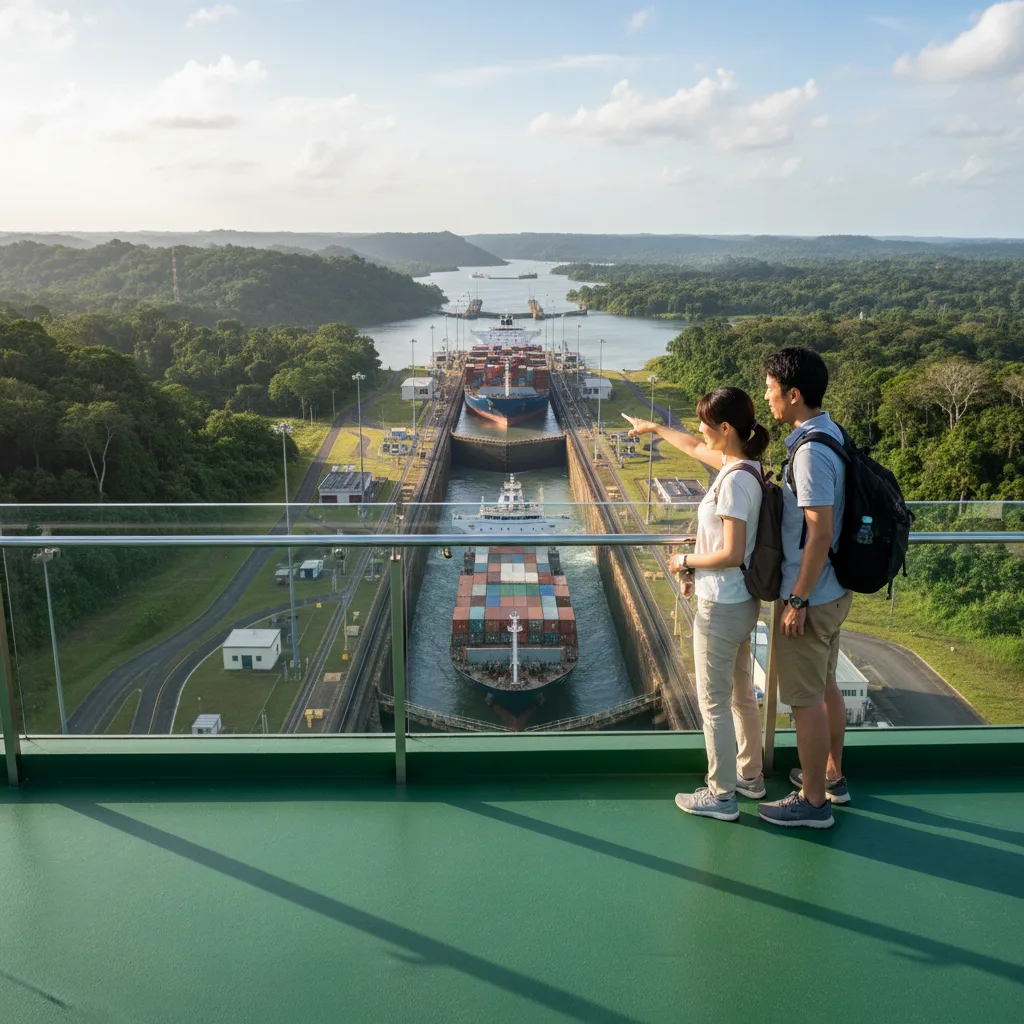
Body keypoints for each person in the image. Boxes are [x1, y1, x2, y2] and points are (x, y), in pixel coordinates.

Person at [625, 387, 771, 822]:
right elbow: (689, 445)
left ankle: (720, 795)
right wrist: (653, 428)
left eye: (706, 424)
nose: (699, 431)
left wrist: (684, 560)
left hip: (720, 605)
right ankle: (751, 776)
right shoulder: (743, 466)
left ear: (725, 429)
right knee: (742, 696)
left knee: (712, 703)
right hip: (741, 602)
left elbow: (730, 552)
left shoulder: (732, 483)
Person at [757, 347, 851, 830]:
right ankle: (831, 776)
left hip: (811, 597)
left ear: (794, 395)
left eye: (771, 390)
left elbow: (820, 533)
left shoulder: (811, 452)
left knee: (804, 700)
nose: (767, 398)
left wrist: (796, 599)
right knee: (826, 685)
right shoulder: (830, 432)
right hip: (834, 591)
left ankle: (812, 802)